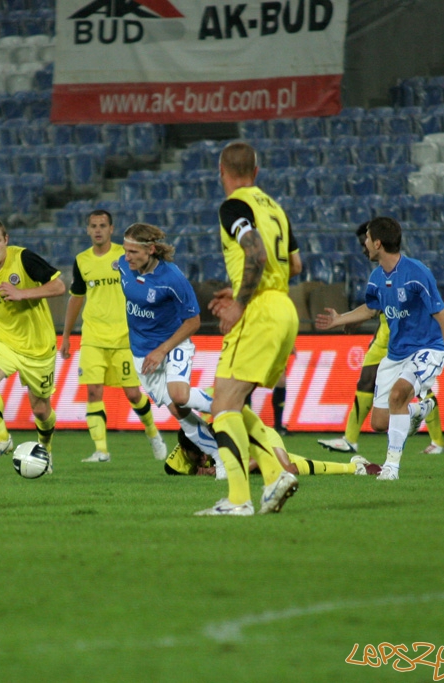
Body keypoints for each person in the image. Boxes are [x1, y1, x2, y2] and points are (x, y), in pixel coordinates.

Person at [192, 141, 301, 516]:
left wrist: (240, 301)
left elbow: (255, 252)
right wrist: (239, 288)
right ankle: (274, 475)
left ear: (221, 171)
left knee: (222, 405)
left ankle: (238, 499)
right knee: (231, 400)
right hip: (284, 308)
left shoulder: (234, 206)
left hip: (260, 309)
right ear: (256, 172)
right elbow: (295, 265)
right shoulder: (276, 209)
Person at [314, 216, 444, 481]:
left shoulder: (417, 273)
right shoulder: (377, 277)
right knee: (379, 423)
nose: (364, 244)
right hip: (395, 354)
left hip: (427, 348)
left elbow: (443, 316)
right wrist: (340, 319)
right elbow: (370, 308)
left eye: (367, 239)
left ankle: (391, 467)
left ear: (378, 243)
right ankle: (420, 410)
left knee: (397, 396)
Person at [117, 222, 224, 478]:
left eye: (133, 252)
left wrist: (162, 350)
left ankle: (227, 406)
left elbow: (194, 321)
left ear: (151, 249)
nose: (126, 256)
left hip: (172, 343)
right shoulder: (122, 265)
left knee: (179, 395)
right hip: (141, 354)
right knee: (179, 411)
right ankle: (222, 458)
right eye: (125, 250)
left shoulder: (172, 278)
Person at [60, 209, 167, 463]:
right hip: (93, 337)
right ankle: (101, 451)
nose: (97, 230)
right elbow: (76, 297)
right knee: (93, 391)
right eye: (93, 225)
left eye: (102, 225)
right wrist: (65, 335)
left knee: (132, 393)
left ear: (111, 229)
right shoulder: (82, 260)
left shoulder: (125, 255)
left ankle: (153, 434)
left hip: (124, 337)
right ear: (87, 230)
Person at [0, 218, 66, 468]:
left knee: (41, 410)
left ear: (6, 240)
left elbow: (59, 286)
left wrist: (22, 293)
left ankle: (46, 447)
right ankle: (1, 438)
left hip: (38, 345)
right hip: (3, 339)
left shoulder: (24, 259)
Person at [165, 422, 381, 477]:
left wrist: (223, 471)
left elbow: (257, 457)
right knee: (295, 465)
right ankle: (356, 466)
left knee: (287, 470)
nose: (204, 458)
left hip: (261, 437)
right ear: (184, 452)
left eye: (206, 452)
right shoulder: (175, 465)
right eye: (199, 455)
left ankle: (353, 468)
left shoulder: (222, 435)